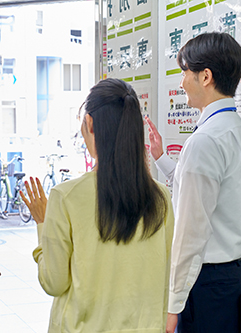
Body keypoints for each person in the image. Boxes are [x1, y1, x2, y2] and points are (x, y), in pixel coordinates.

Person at [22, 78, 175, 333]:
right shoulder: (161, 197)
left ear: (90, 124)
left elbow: (54, 283)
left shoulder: (66, 197)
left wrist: (42, 223)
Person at [147, 32, 241, 332]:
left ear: (205, 76)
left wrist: (173, 304)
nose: (181, 81)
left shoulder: (206, 140)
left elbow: (191, 232)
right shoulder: (237, 131)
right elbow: (212, 195)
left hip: (210, 289)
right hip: (240, 279)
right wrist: (161, 158)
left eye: (185, 72)